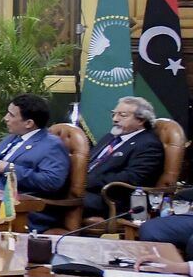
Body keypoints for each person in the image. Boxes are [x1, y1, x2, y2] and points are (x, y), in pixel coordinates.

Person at [30, 95, 164, 233]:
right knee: (35, 195)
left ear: (141, 119)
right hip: (84, 188)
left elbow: (134, 178)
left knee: (46, 204)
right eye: (114, 114)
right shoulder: (111, 137)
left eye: (122, 115)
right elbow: (89, 163)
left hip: (111, 198)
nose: (115, 119)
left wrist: (87, 181)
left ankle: (36, 234)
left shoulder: (148, 144)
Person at [0, 95, 70, 198]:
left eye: (11, 115)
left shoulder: (52, 145)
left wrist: (9, 169)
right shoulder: (12, 137)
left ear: (28, 123)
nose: (5, 118)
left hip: (12, 205)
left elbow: (51, 182)